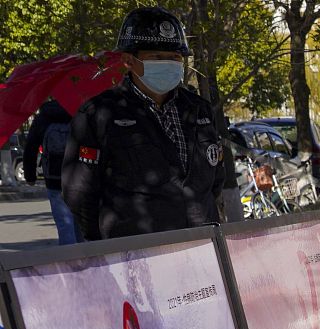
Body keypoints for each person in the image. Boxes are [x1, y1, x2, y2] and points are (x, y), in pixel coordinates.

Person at [62, 6, 224, 240]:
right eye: (157, 57)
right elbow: (79, 192)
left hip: (201, 249)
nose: (168, 63)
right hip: (137, 256)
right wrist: (108, 242)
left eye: (175, 58)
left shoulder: (199, 109)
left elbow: (215, 180)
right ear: (128, 60)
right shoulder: (100, 113)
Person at [22, 99, 80, 244]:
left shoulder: (44, 117)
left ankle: (70, 263)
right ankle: (89, 263)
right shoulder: (79, 112)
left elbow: (31, 147)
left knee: (64, 226)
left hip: (54, 179)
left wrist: (30, 176)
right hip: (79, 177)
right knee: (82, 226)